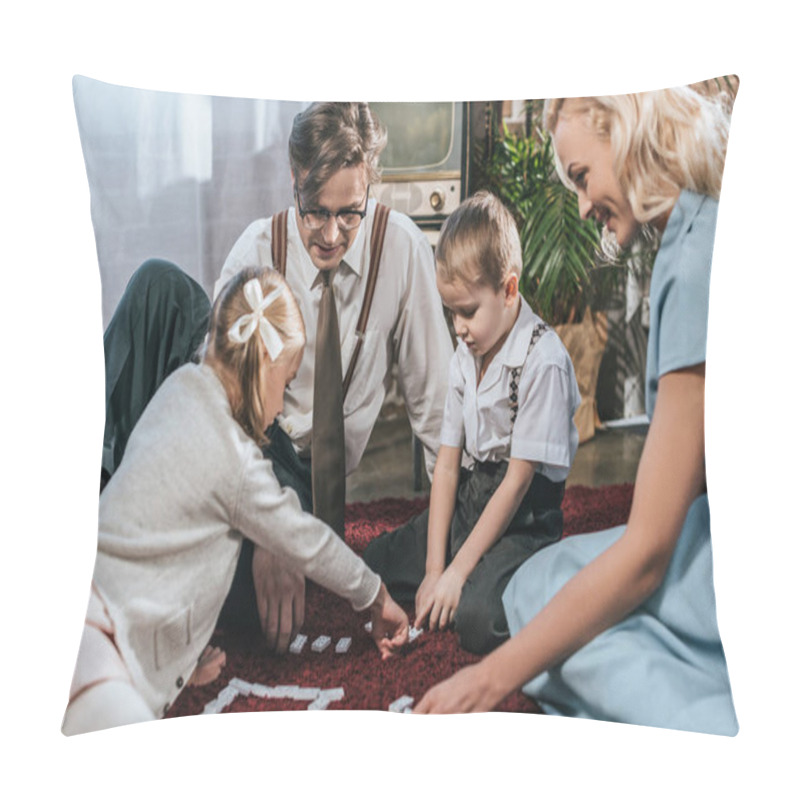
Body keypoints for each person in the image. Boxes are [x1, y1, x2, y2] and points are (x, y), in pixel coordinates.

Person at [413, 88, 739, 737]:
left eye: (584, 177)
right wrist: (435, 569)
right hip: (708, 534)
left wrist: (491, 676)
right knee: (538, 585)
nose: (582, 205)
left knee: (553, 623)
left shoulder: (696, 257)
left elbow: (648, 549)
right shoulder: (696, 231)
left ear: (626, 130)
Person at [64, 267, 409, 735]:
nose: (281, 408)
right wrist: (375, 596)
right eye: (284, 385)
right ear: (264, 365)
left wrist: (180, 662)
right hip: (106, 642)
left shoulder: (178, 388)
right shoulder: (236, 459)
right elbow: (306, 541)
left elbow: (167, 546)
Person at [214, 102, 453, 652]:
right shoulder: (257, 248)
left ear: (369, 183)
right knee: (247, 605)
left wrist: (448, 545)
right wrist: (267, 519)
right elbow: (217, 411)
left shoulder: (403, 249)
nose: (329, 234)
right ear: (294, 179)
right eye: (314, 211)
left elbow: (435, 407)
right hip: (257, 457)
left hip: (317, 484)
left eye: (349, 212)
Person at [363, 192, 581, 655]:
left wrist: (459, 573)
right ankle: (466, 571)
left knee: (478, 620)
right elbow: (446, 466)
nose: (458, 328)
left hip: (522, 517)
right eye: (451, 313)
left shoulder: (544, 363)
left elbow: (518, 483)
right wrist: (434, 569)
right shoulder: (466, 354)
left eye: (467, 312)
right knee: (369, 568)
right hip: (471, 500)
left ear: (508, 289)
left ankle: (549, 579)